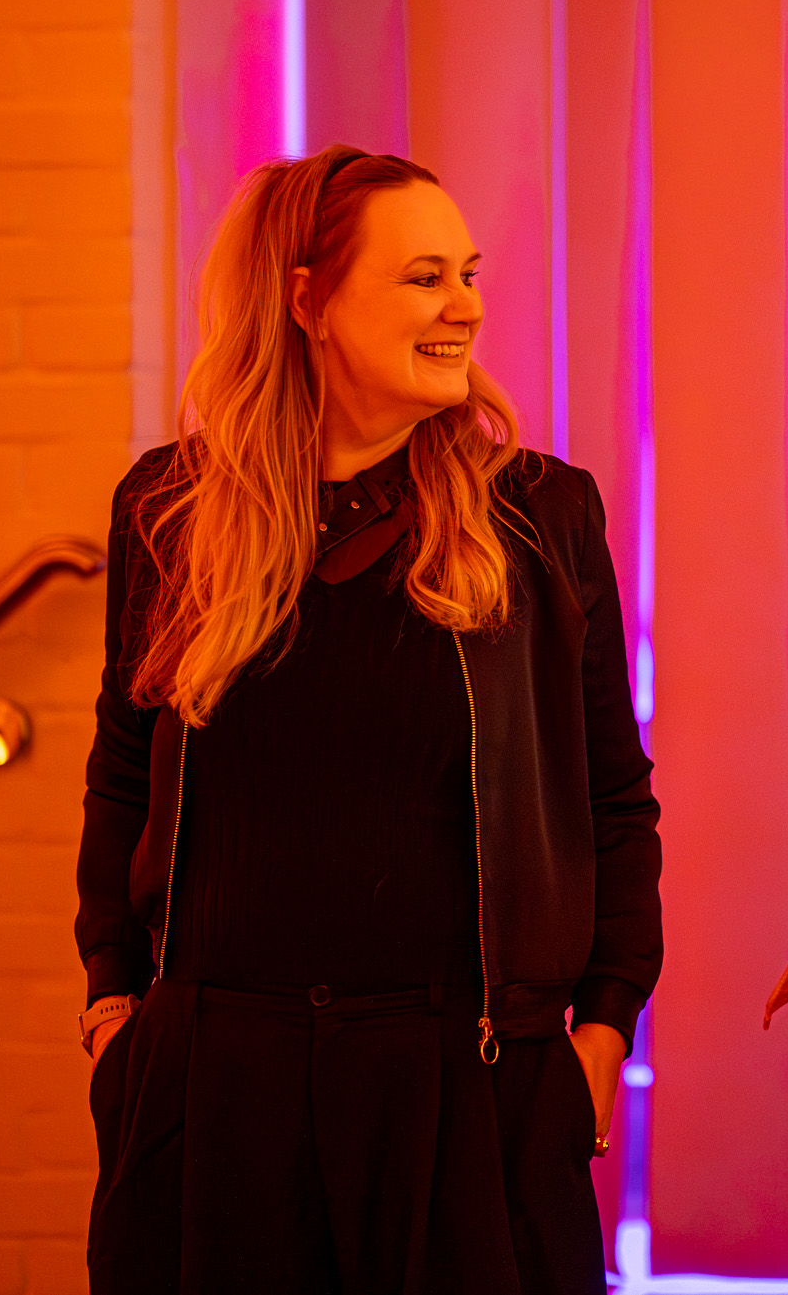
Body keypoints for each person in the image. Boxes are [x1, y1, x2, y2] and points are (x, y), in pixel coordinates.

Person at [72, 144, 661, 1295]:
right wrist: (110, 1003)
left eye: (468, 275)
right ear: (306, 302)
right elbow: (125, 773)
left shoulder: (538, 514)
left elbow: (610, 795)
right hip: (213, 1085)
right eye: (424, 277)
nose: (464, 307)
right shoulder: (170, 509)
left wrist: (603, 1023)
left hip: (470, 1078)